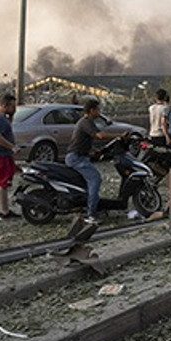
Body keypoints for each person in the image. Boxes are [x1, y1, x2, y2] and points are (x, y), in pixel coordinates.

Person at [65, 98, 112, 239]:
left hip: (80, 155)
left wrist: (94, 150)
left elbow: (82, 140)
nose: (99, 112)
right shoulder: (86, 122)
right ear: (91, 111)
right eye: (97, 109)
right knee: (95, 180)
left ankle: (87, 206)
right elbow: (100, 135)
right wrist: (120, 135)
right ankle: (91, 214)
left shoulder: (85, 122)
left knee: (87, 182)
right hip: (76, 158)